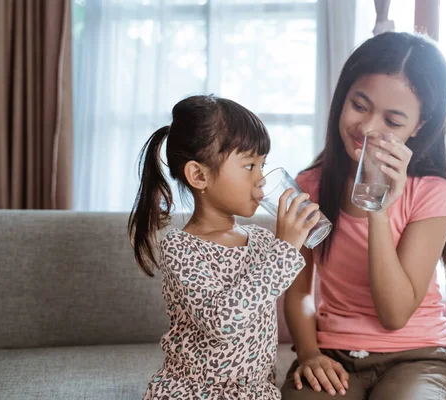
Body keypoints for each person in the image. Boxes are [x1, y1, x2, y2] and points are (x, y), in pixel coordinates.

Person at [281, 32, 446, 399]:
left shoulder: (432, 193)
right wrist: (309, 354)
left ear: (419, 127)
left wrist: (378, 211)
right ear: (343, 96)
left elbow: (394, 314)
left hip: (419, 358)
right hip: (334, 356)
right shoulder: (309, 186)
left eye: (393, 121)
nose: (367, 129)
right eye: (360, 105)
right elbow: (299, 290)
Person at [128, 95, 321, 399]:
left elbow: (280, 288)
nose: (261, 179)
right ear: (199, 175)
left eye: (263, 164)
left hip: (254, 392)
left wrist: (304, 236)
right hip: (194, 392)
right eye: (249, 166)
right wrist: (285, 251)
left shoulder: (261, 241)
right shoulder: (181, 247)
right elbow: (222, 320)